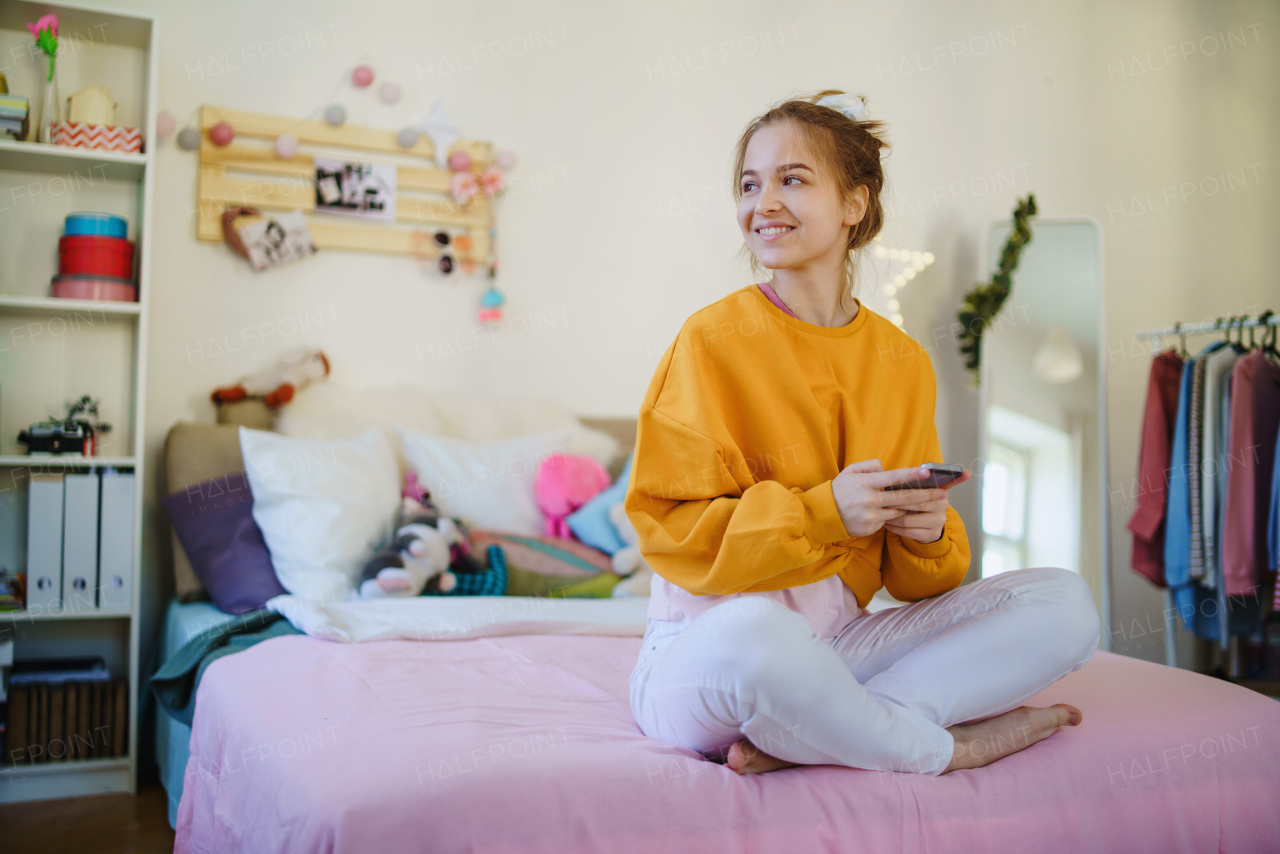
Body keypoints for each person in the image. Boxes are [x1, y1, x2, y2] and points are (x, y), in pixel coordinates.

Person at [624, 90, 1101, 777]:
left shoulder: (902, 361)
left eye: (792, 179)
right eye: (750, 184)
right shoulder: (710, 339)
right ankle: (935, 747)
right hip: (707, 649)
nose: (762, 204)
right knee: (757, 637)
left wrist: (926, 532)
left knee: (1064, 603)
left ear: (855, 204)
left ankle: (817, 731)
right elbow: (666, 529)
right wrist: (823, 512)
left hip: (841, 647)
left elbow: (914, 587)